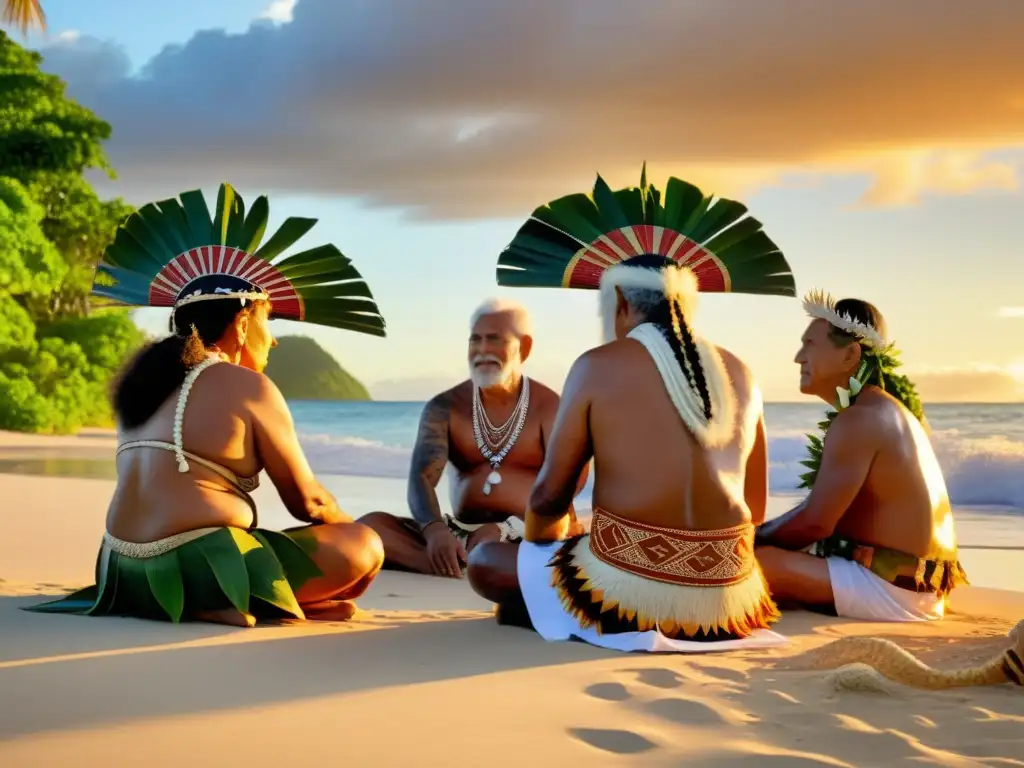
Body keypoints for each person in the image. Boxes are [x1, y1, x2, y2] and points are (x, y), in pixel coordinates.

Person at [24, 183, 388, 627]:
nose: (273, 337)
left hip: (119, 569)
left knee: (306, 555)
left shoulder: (144, 379)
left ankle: (246, 601)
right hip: (205, 565)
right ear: (240, 323)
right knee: (364, 546)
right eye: (267, 319)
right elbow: (308, 501)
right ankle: (220, 599)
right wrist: (344, 528)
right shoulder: (247, 385)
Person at [469, 168, 797, 652]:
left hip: (628, 595)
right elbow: (756, 509)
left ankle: (551, 605)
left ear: (620, 301)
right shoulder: (742, 373)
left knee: (485, 562)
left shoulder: (597, 366)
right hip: (732, 599)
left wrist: (537, 551)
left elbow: (547, 501)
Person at [754, 291, 968, 621]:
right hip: (918, 588)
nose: (799, 357)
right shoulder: (887, 412)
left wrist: (748, 538)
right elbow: (826, 516)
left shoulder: (860, 419)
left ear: (850, 354)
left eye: (810, 344)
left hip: (894, 593)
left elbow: (815, 523)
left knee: (746, 565)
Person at [358, 298, 588, 578]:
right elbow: (421, 477)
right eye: (475, 340)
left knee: (526, 546)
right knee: (369, 529)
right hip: (461, 532)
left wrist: (508, 528)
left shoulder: (551, 408)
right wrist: (434, 529)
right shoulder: (445, 407)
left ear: (524, 347)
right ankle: (462, 562)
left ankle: (469, 565)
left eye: (495, 340)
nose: (482, 350)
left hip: (529, 532)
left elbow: (565, 492)